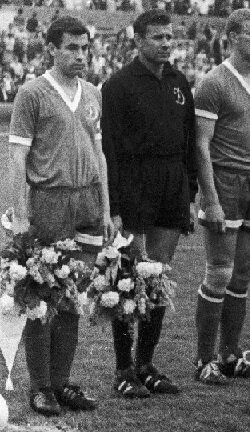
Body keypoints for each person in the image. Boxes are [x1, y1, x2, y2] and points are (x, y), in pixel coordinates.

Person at [9, 16, 114, 416]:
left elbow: (99, 154)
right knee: (42, 297)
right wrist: (21, 215)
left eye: (85, 48)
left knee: (73, 297)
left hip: (87, 202)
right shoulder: (32, 93)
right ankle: (40, 387)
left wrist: (106, 209)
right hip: (49, 201)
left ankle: (61, 382)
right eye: (72, 47)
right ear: (52, 49)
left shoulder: (93, 93)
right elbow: (18, 158)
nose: (81, 55)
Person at [102, 9, 197, 398]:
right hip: (135, 184)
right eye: (157, 37)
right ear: (138, 40)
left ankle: (146, 364)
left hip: (172, 185)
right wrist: (115, 206)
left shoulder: (178, 82)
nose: (165, 43)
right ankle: (123, 369)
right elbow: (109, 150)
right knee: (130, 278)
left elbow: (190, 140)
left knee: (158, 277)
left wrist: (191, 194)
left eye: (169, 37)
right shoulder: (118, 85)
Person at [192, 8, 250, 384]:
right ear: (231, 38)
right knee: (219, 273)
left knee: (242, 277)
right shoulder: (213, 83)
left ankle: (230, 355)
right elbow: (201, 145)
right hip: (225, 182)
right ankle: (203, 359)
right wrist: (210, 199)